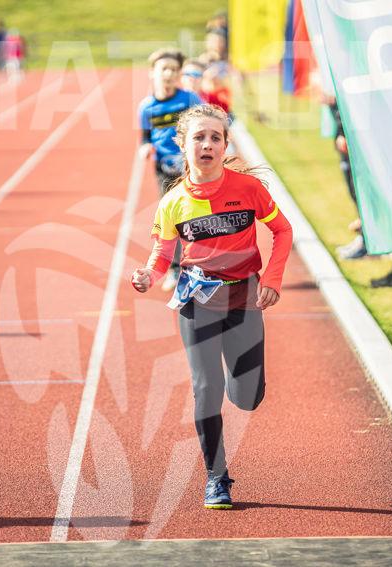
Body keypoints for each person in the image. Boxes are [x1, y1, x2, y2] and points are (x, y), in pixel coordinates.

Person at [131, 104, 293, 510]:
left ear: (225, 145)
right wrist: (149, 274)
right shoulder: (173, 202)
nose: (207, 144)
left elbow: (282, 229)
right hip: (197, 301)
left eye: (215, 138)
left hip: (244, 299)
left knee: (247, 397)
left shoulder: (248, 189)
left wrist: (272, 279)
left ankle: (241, 384)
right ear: (182, 144)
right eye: (199, 137)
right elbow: (162, 253)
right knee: (206, 388)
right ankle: (216, 477)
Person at [138, 47, 202, 291]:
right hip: (164, 169)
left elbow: (207, 122)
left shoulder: (189, 100)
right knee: (172, 218)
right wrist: (145, 147)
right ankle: (175, 268)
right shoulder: (146, 108)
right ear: (152, 73)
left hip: (192, 167)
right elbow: (145, 137)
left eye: (174, 69)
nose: (169, 74)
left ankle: (202, 266)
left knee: (196, 215)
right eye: (164, 69)